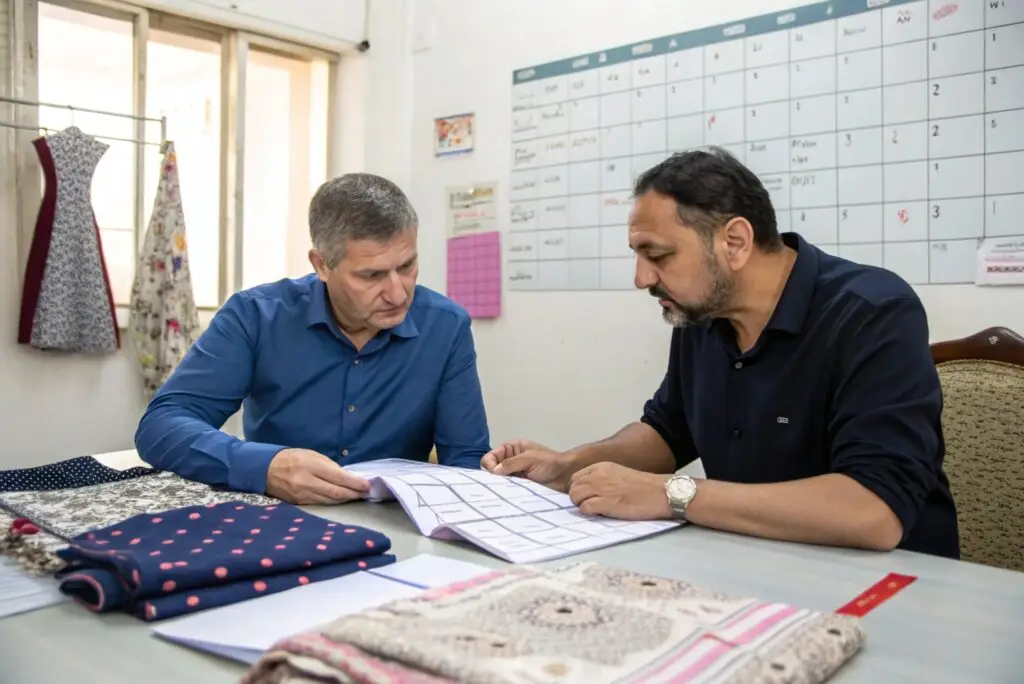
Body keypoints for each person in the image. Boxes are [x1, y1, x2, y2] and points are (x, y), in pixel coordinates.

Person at [482, 147, 960, 559]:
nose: (642, 278)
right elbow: (667, 434)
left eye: (658, 255)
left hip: (892, 584)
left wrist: (672, 495)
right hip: (758, 563)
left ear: (734, 242)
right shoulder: (703, 315)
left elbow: (873, 512)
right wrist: (570, 465)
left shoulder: (872, 313)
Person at [136, 173, 490, 505]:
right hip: (278, 516)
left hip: (398, 522)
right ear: (321, 265)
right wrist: (266, 467)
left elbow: (466, 458)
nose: (397, 294)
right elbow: (161, 425)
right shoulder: (256, 316)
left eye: (407, 266)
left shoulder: (446, 326)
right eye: (372, 275)